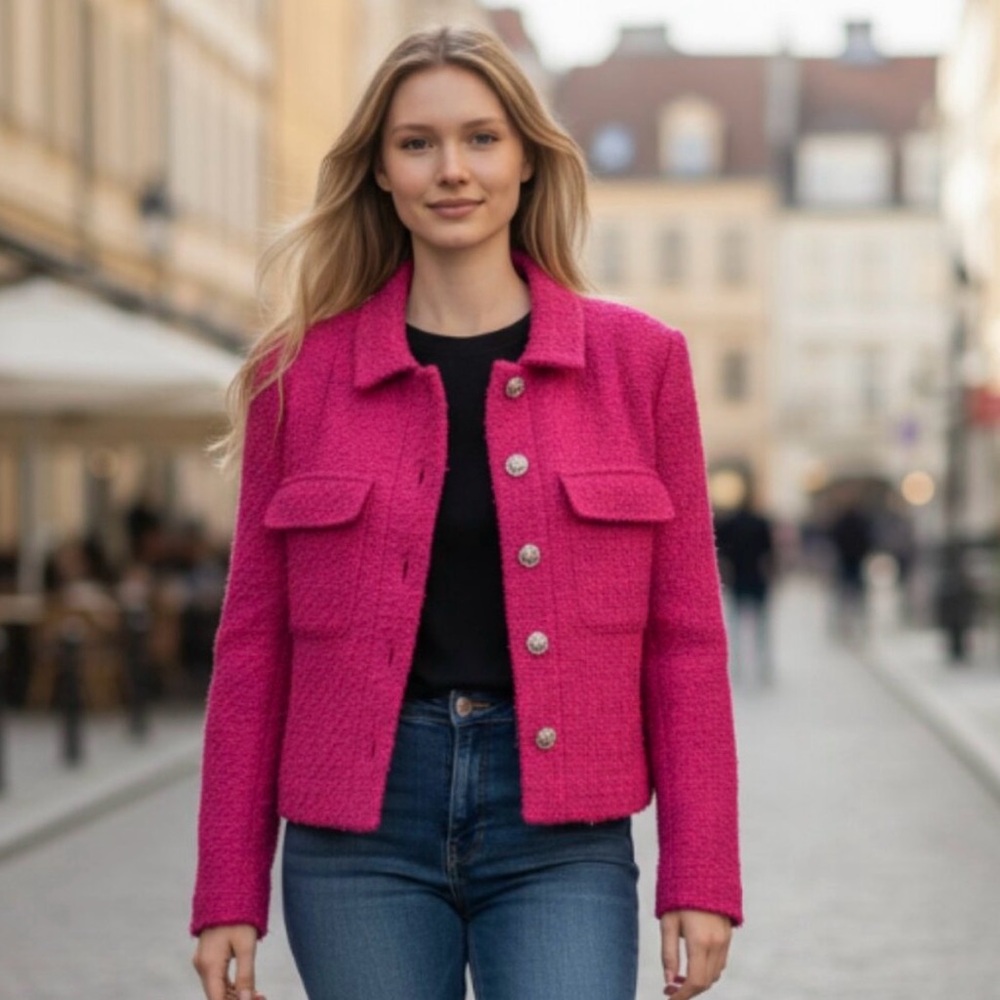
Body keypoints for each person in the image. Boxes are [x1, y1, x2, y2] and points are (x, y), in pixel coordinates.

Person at [191, 26, 741, 1000]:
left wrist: (700, 872)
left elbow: (685, 639)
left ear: (527, 159)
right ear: (380, 173)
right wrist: (228, 886)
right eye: (418, 143)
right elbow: (253, 646)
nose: (453, 169)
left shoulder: (638, 363)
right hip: (355, 839)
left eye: (481, 138)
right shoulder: (299, 373)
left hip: (562, 836)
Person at [716, 493, 776, 686]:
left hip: (739, 577)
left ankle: (737, 664)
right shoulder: (761, 523)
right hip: (757, 578)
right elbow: (769, 552)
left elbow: (721, 550)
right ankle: (763, 664)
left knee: (736, 623)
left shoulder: (731, 524)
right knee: (761, 624)